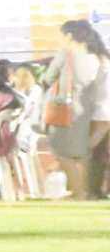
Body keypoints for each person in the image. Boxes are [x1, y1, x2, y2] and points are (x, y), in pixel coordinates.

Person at [46, 21, 110, 199]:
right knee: (93, 154)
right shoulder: (100, 58)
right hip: (99, 111)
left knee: (80, 152)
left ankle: (83, 192)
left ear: (69, 36)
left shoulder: (73, 56)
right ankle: (89, 191)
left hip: (97, 112)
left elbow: (49, 79)